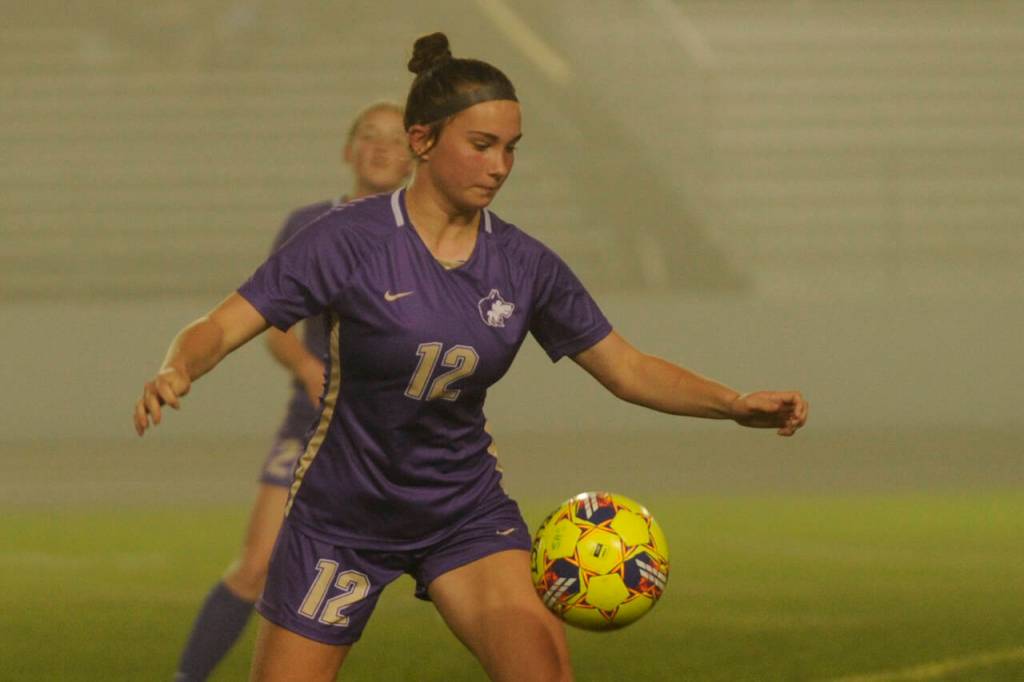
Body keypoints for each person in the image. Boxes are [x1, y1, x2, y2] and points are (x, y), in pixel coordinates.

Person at [135, 32, 808, 682]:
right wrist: (178, 367)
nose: (499, 167)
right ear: (422, 142)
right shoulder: (348, 240)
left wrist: (733, 404)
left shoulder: (524, 265)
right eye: (482, 145)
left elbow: (626, 368)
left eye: (511, 149)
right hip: (342, 520)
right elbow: (221, 326)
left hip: (462, 513)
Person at [172, 101, 412, 682]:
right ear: (348, 149)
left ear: (418, 154)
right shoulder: (310, 224)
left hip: (402, 435)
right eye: (368, 136)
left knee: (448, 576)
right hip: (315, 423)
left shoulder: (429, 232)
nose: (380, 148)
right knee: (257, 567)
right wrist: (309, 368)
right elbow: (269, 324)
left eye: (396, 139)